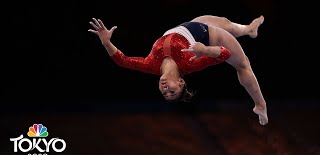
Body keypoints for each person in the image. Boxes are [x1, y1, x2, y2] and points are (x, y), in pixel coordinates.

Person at [88, 15, 268, 126]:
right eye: (172, 91)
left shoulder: (151, 65)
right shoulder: (190, 63)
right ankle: (260, 105)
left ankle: (248, 29)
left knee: (226, 23)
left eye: (164, 92)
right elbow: (224, 54)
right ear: (181, 82)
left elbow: (122, 60)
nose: (166, 89)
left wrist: (106, 42)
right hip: (208, 36)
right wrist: (205, 50)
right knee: (243, 64)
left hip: (188, 26)